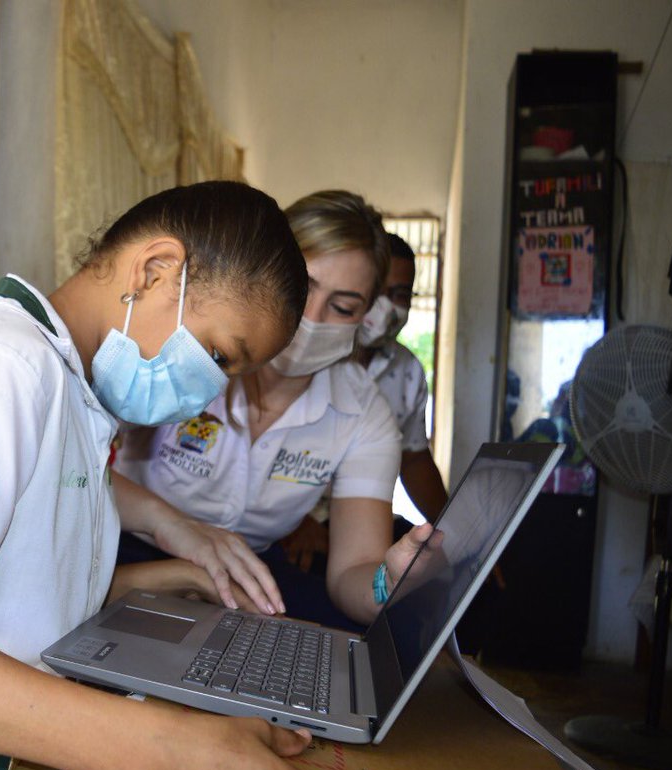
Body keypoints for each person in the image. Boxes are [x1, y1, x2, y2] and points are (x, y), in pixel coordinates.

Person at [0, 181, 336, 770]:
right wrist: (164, 750)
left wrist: (162, 577)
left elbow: (7, 602)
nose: (211, 390)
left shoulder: (73, 398)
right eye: (220, 355)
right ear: (156, 271)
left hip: (14, 744)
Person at [114, 190, 439, 632]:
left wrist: (389, 581)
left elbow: (352, 573)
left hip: (248, 569)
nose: (309, 318)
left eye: (342, 307)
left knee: (391, 637)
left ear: (366, 317)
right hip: (127, 543)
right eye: (300, 288)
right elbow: (71, 467)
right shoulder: (183, 347)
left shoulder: (363, 413)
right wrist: (170, 524)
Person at [354, 233, 448, 532]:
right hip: (295, 522)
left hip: (364, 523)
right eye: (377, 291)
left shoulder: (407, 370)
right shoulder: (312, 356)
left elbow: (413, 460)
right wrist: (301, 524)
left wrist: (455, 533)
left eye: (400, 295)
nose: (387, 307)